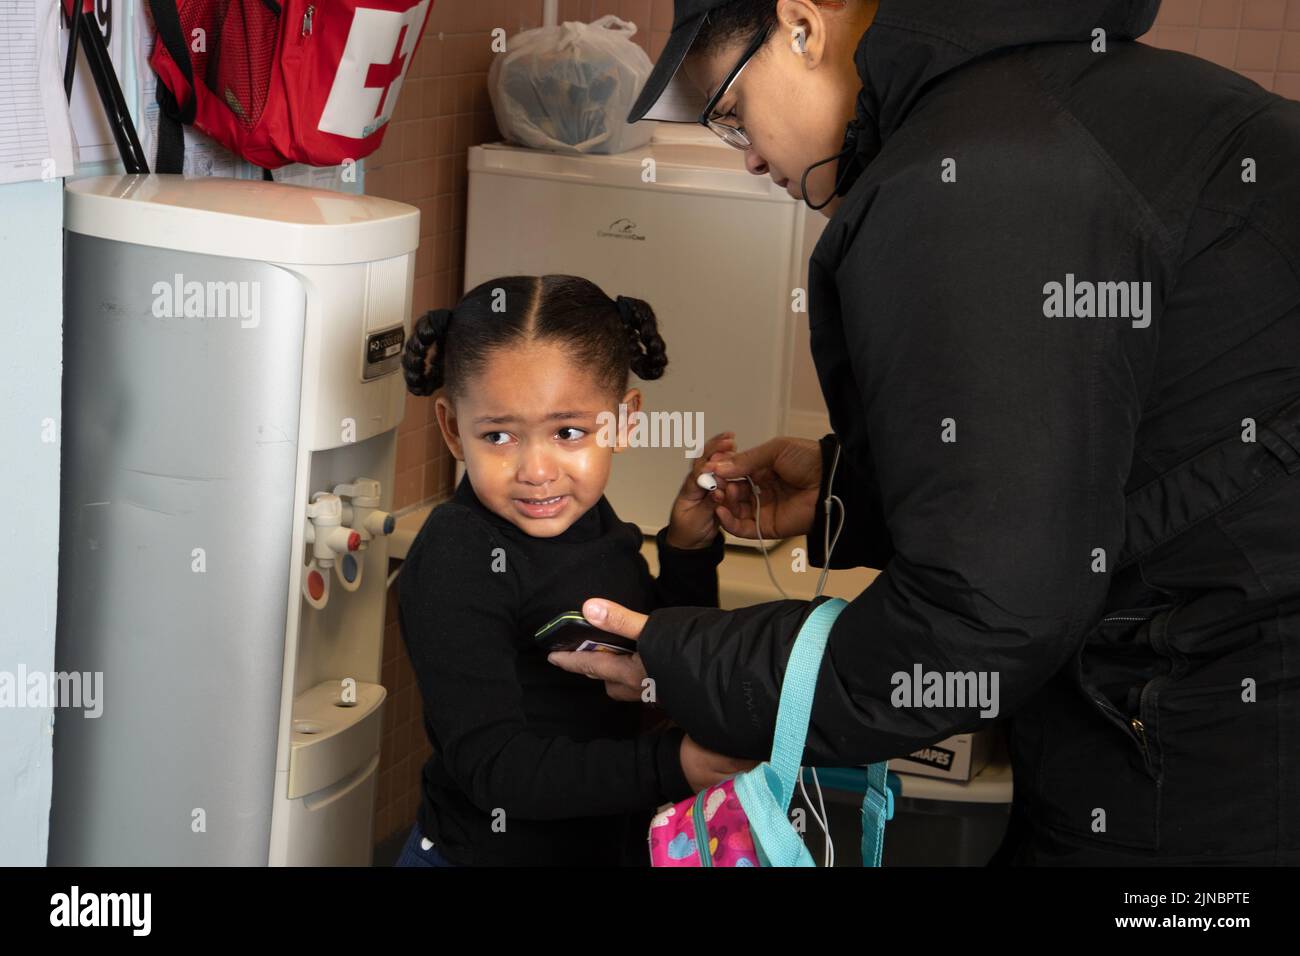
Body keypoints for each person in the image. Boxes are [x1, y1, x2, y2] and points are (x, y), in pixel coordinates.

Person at [550, 0, 1300, 864]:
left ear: (801, 24)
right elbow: (1081, 449)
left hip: (1220, 721)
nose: (750, 154)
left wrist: (687, 662)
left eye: (729, 112)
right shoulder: (1058, 99)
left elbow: (985, 619)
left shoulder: (974, 174)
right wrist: (844, 489)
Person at [394, 274, 748, 866]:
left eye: (568, 432)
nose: (537, 470)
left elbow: (662, 654)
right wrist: (671, 766)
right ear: (454, 430)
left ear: (624, 421)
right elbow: (495, 767)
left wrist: (687, 549)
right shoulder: (458, 554)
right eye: (499, 435)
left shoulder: (591, 522)